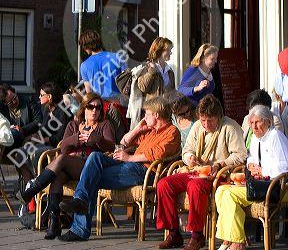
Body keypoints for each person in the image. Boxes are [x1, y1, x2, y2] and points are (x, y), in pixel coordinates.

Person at [57, 97, 181, 242]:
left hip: (144, 172)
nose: (144, 117)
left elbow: (156, 154)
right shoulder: (150, 131)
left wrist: (129, 158)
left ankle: (79, 225)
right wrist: (137, 129)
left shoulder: (172, 132)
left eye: (146, 114)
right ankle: (80, 200)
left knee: (91, 177)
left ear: (156, 115)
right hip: (129, 166)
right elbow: (123, 142)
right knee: (95, 157)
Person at [157, 94, 247, 250]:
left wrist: (221, 164)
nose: (205, 124)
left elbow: (240, 155)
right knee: (164, 184)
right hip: (196, 171)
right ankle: (173, 233)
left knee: (195, 186)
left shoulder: (230, 127)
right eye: (203, 120)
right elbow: (186, 150)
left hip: (219, 175)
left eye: (210, 120)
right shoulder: (198, 126)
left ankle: (197, 235)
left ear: (219, 116)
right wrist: (189, 157)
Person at [20, 92, 115, 239]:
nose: (94, 110)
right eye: (91, 106)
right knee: (57, 177)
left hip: (89, 168)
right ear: (84, 108)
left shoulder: (105, 125)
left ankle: (32, 189)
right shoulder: (73, 125)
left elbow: (110, 147)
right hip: (69, 166)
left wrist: (95, 139)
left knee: (62, 159)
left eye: (98, 107)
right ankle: (54, 223)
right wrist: (77, 138)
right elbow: (63, 146)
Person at [215, 104, 288, 250]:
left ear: (267, 121)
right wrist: (251, 165)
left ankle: (236, 242)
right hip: (261, 185)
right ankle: (229, 239)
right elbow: (252, 158)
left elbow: (285, 167)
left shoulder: (276, 136)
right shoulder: (256, 138)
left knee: (229, 194)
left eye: (257, 122)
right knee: (221, 191)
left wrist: (263, 170)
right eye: (251, 123)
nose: (253, 127)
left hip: (277, 188)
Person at [15, 82, 72, 186]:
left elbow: (61, 137)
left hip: (55, 147)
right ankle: (30, 187)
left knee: (35, 153)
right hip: (43, 143)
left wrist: (44, 139)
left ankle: (38, 186)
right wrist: (32, 136)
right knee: (19, 154)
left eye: (42, 95)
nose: (39, 97)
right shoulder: (46, 109)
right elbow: (43, 129)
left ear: (49, 96)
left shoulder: (62, 110)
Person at [78, 29, 126, 100]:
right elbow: (126, 81)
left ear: (86, 45)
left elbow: (89, 92)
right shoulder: (117, 57)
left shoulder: (84, 66)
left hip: (98, 106)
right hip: (118, 104)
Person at [0, 83, 42, 151]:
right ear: (5, 103)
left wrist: (23, 129)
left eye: (15, 98)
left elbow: (38, 121)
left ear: (14, 92)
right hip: (10, 138)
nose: (14, 102)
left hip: (27, 135)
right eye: (10, 102)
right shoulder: (2, 108)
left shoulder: (29, 100)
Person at [137, 37, 175, 101]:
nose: (170, 53)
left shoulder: (169, 70)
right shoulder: (147, 67)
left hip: (167, 108)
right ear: (159, 50)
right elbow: (143, 88)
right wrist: (151, 71)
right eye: (168, 50)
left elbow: (173, 91)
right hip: (152, 109)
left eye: (170, 50)